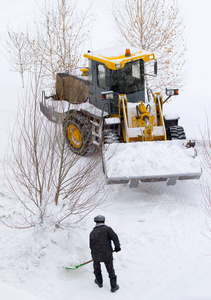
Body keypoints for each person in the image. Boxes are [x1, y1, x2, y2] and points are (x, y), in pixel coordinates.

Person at [89, 215, 121, 293]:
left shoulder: (92, 232)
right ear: (104, 221)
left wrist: (95, 253)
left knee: (97, 267)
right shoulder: (107, 229)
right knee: (110, 269)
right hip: (106, 253)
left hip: (96, 253)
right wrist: (117, 247)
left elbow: (91, 245)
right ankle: (113, 286)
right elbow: (115, 237)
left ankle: (99, 281)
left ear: (96, 222)